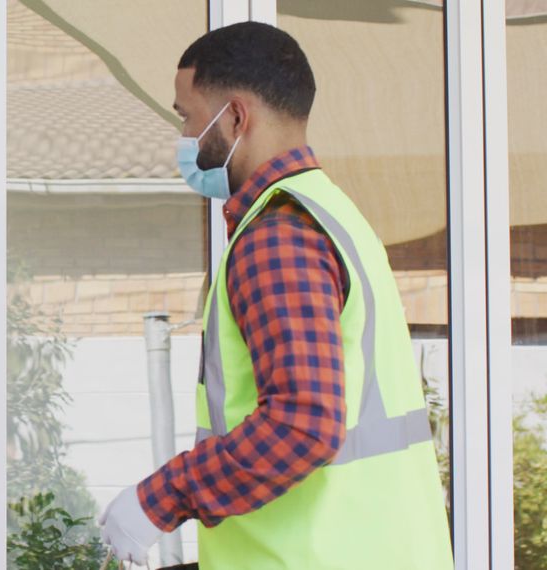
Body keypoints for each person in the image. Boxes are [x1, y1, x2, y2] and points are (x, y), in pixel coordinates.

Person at [98, 22, 452, 569]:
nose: (185, 137)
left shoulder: (277, 235)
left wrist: (156, 502)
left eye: (187, 116)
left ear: (236, 117)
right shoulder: (331, 212)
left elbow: (302, 423)